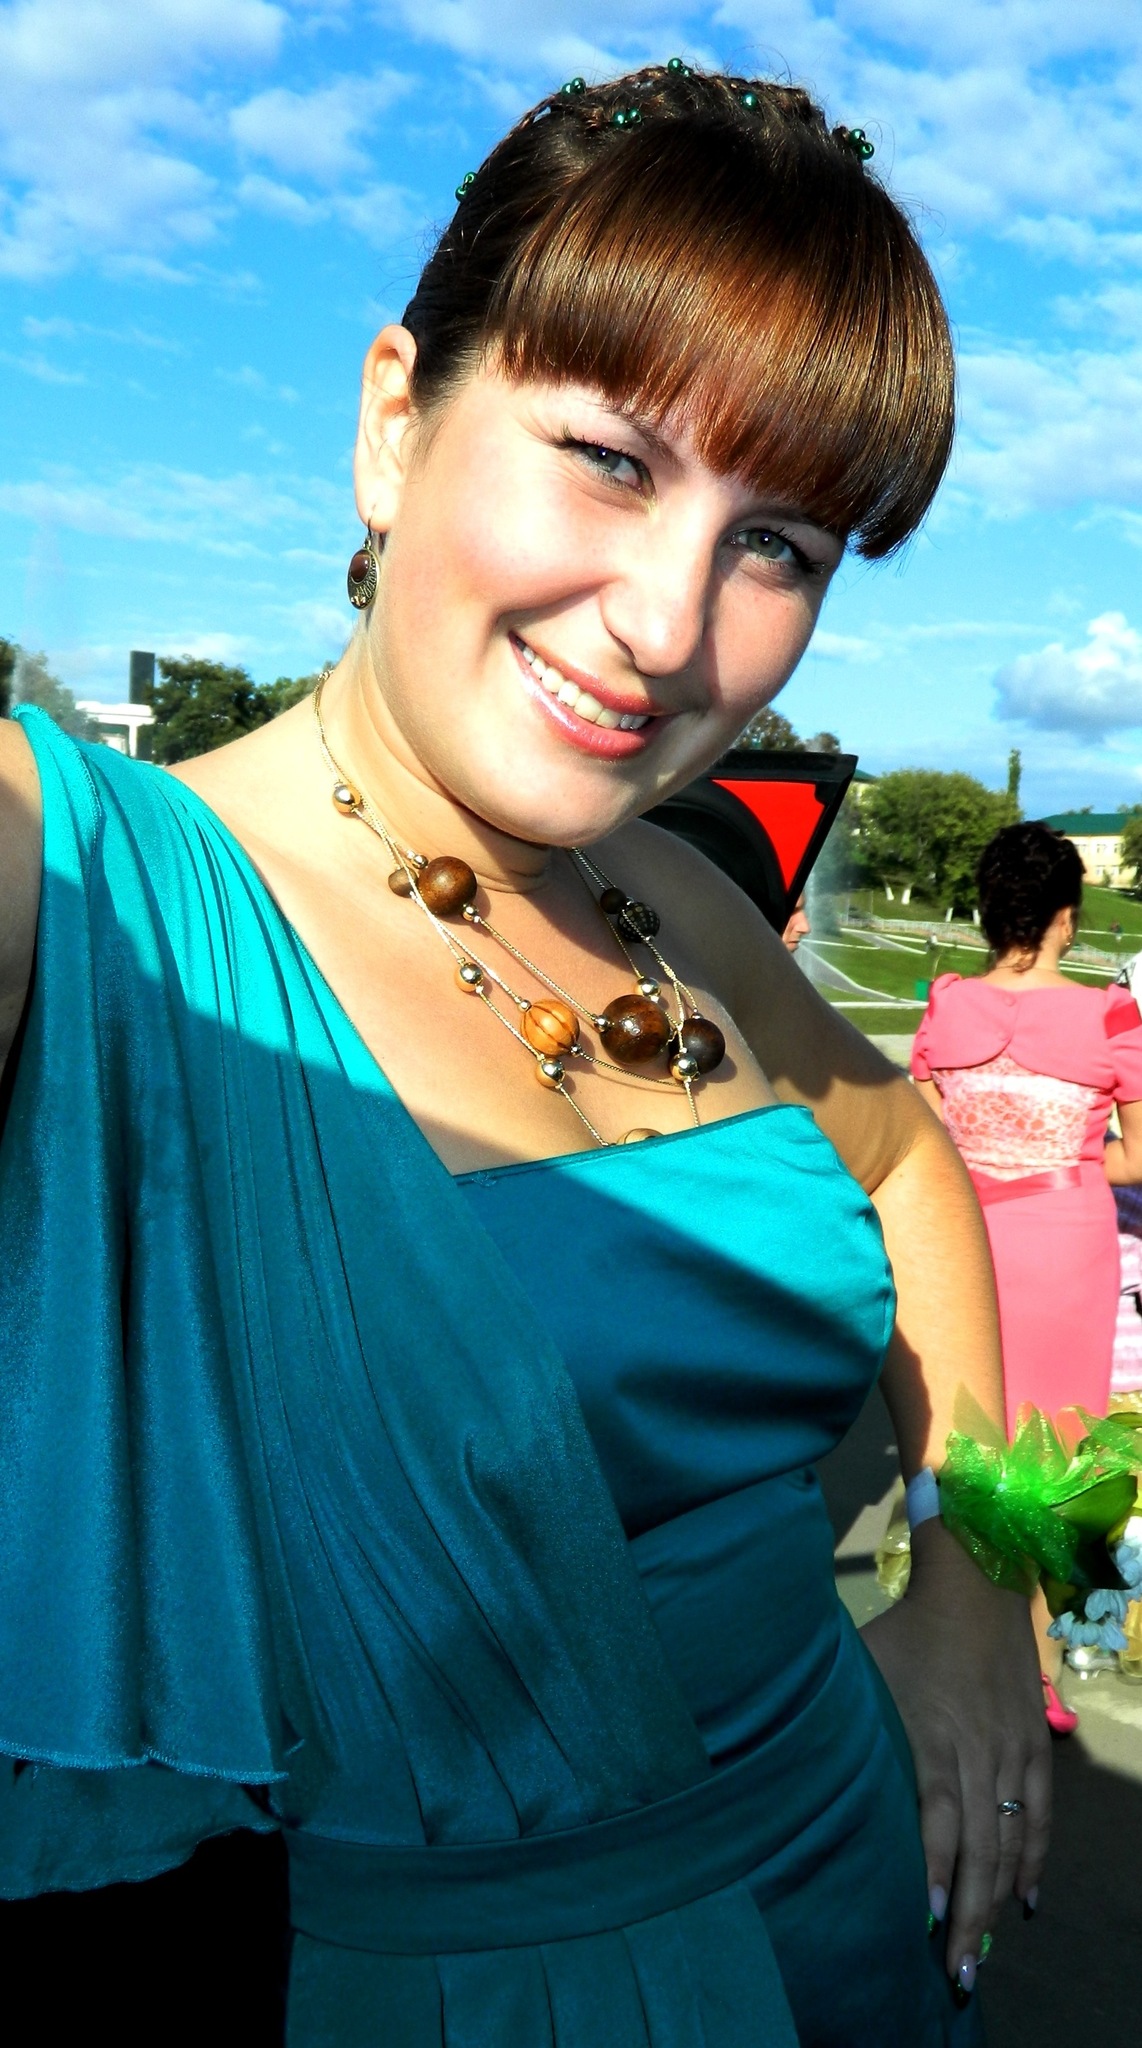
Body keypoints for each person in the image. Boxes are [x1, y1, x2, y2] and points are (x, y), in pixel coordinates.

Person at [0, 64, 1047, 2046]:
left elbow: (911, 1160)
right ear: (393, 420)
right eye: (608, 458)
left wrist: (977, 1584)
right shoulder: (80, 892)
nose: (667, 624)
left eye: (778, 543)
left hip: (861, 1900)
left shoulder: (681, 899)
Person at [912, 821, 1142, 1731]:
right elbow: (1137, 1162)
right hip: (1065, 1248)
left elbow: (923, 1144)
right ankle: (1038, 1672)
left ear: (987, 911)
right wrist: (1071, 1162)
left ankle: (956, 1648)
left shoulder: (947, 1004)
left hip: (961, 1241)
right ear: (1066, 917)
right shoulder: (1109, 1015)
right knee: (1057, 1452)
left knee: (966, 1439)